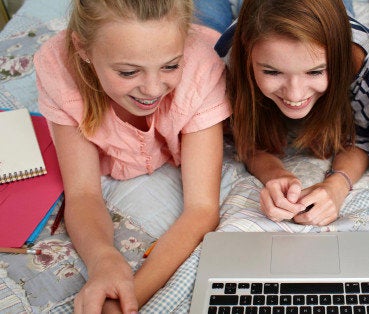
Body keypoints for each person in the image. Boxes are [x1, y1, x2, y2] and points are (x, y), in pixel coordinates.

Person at [34, 0, 231, 312]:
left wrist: (129, 298)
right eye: (128, 71)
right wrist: (103, 259)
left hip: (208, 32)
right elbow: (83, 194)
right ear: (83, 49)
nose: (153, 89)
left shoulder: (200, 68)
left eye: (170, 66)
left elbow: (202, 209)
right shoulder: (58, 68)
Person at [198, 0, 369, 226]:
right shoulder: (224, 61)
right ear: (247, 57)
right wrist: (275, 174)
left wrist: (337, 185)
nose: (295, 95)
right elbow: (240, 136)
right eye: (272, 71)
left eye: (315, 72)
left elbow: (365, 136)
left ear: (339, 59)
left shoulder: (363, 56)